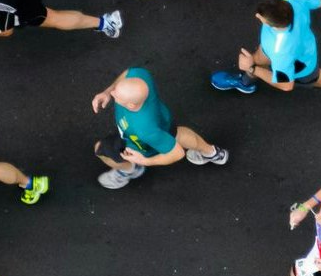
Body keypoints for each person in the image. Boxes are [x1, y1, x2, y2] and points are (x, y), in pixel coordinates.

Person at [91, 66, 227, 190]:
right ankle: (212, 153)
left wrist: (144, 161)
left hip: (141, 145)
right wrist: (107, 92)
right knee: (176, 134)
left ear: (131, 105)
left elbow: (177, 153)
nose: (113, 93)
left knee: (100, 149)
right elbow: (127, 73)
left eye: (116, 95)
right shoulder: (141, 77)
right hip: (163, 123)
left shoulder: (144, 130)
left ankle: (130, 169)